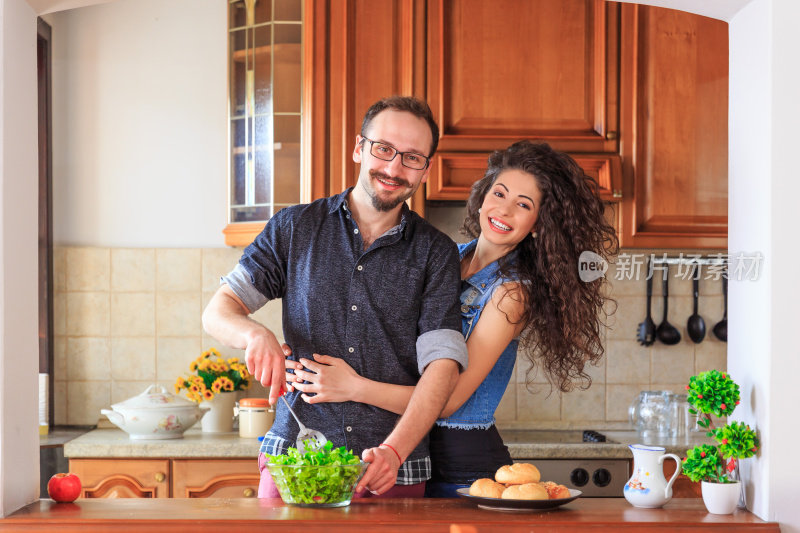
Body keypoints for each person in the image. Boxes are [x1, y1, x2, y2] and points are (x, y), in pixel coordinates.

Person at [284, 140, 618, 497]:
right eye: (499, 193)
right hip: (409, 446)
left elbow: (449, 399)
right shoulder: (445, 255)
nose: (503, 211)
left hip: (461, 461)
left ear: (539, 223)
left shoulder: (512, 294)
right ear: (482, 195)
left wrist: (353, 387)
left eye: (523, 205)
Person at [202, 96, 468, 498]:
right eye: (384, 149)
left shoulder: (437, 253)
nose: (394, 168)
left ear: (426, 169)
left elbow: (442, 368)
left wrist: (394, 451)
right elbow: (218, 311)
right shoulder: (295, 227)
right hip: (294, 461)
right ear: (359, 148)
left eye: (412, 157)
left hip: (392, 470)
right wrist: (254, 335)